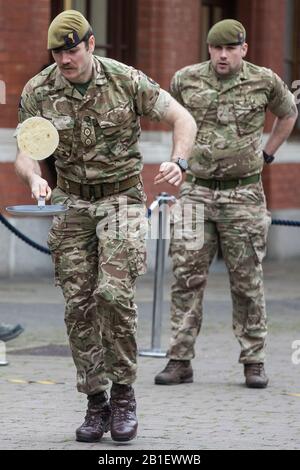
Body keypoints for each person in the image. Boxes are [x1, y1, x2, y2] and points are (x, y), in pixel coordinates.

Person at [15, 10, 197, 442]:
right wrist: (34, 176)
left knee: (112, 293)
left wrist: (179, 161)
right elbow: (25, 151)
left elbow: (183, 120)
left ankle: (124, 395)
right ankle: (95, 402)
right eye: (57, 53)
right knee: (79, 305)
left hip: (122, 200)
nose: (64, 60)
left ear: (91, 45)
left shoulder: (124, 80)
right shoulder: (39, 90)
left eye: (72, 50)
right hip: (71, 201)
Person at [155, 19, 298, 389]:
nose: (222, 55)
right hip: (196, 190)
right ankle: (179, 359)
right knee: (186, 276)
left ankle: (254, 360)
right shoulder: (185, 79)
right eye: (216, 49)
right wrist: (178, 157)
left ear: (243, 49)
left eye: (230, 49)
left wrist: (268, 153)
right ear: (208, 49)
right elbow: (170, 117)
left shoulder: (264, 81)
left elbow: (289, 113)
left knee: (247, 279)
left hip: (244, 194)